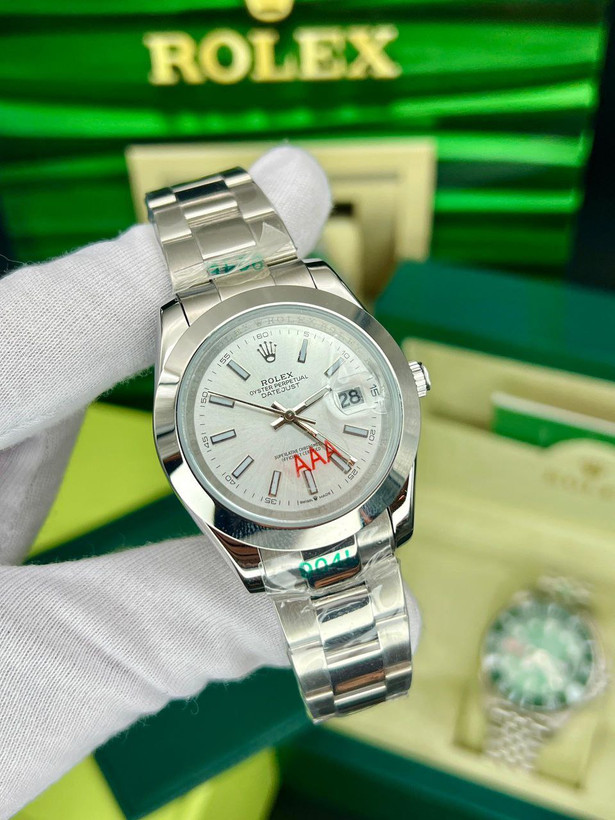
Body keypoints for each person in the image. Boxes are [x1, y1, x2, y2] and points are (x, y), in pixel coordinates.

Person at [0, 146, 420, 818]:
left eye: (293, 411)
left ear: (403, 380)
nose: (288, 416)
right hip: (291, 515)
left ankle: (366, 676)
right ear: (181, 443)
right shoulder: (193, 417)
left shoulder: (347, 342)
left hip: (349, 491)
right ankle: (359, 677)